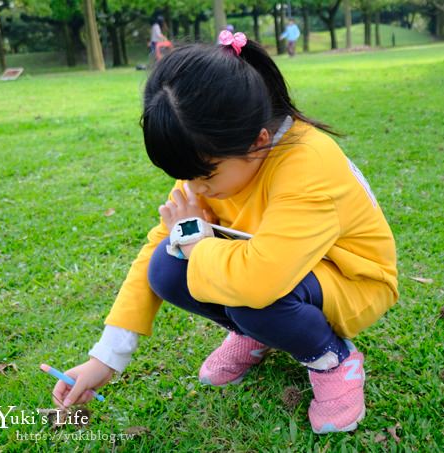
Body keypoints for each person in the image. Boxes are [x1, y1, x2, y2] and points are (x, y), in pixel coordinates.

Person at [50, 31, 399, 435]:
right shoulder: (215, 160)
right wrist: (105, 358)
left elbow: (259, 280)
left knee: (248, 294)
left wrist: (197, 242)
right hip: (267, 267)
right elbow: (156, 253)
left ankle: (332, 359)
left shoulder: (309, 166)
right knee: (166, 265)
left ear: (258, 141)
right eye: (183, 177)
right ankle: (256, 334)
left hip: (351, 280)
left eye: (204, 175)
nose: (193, 189)